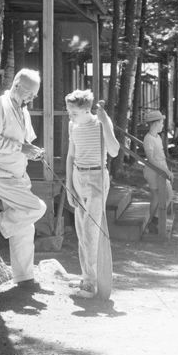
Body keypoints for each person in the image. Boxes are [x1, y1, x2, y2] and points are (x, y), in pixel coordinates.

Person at [0, 69, 48, 289]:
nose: (32, 98)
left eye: (35, 94)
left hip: (18, 174)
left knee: (26, 227)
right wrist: (21, 147)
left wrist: (33, 152)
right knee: (36, 208)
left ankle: (24, 279)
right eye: (30, 93)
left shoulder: (22, 110)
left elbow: (24, 143)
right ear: (17, 85)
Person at [64, 89, 120, 299]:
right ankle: (87, 278)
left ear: (87, 110)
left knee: (91, 231)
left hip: (97, 178)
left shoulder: (100, 123)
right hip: (79, 178)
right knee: (81, 231)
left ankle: (91, 284)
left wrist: (106, 123)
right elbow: (70, 157)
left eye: (74, 112)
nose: (70, 116)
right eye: (69, 112)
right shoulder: (72, 125)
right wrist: (69, 187)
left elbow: (114, 151)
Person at [141, 110, 174, 234]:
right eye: (161, 122)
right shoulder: (148, 138)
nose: (162, 125)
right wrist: (166, 171)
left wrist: (165, 167)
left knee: (162, 196)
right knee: (165, 195)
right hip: (154, 171)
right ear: (155, 123)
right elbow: (151, 159)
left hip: (160, 170)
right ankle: (154, 222)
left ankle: (153, 222)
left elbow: (160, 156)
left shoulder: (158, 137)